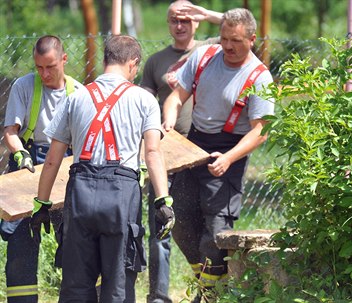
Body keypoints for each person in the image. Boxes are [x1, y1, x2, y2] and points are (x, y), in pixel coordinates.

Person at [30, 35, 174, 303]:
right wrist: (163, 200)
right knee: (118, 281)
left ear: (105, 59)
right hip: (121, 195)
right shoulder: (144, 100)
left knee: (76, 283)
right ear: (133, 64)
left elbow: (52, 158)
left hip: (80, 195)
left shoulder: (76, 97)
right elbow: (152, 152)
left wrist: (42, 204)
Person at [162, 8, 275, 302]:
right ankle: (209, 285)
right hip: (194, 146)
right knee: (180, 222)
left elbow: (260, 131)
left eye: (235, 40)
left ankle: (212, 296)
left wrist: (228, 158)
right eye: (224, 38)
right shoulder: (204, 57)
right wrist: (169, 121)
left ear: (252, 39)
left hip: (230, 151)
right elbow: (176, 97)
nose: (227, 46)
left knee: (215, 235)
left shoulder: (259, 77)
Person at [140, 1, 222, 302]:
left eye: (187, 20)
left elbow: (242, 25)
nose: (180, 25)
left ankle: (209, 289)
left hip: (206, 151)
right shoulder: (155, 62)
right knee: (165, 224)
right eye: (175, 19)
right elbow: (144, 106)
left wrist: (209, 14)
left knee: (205, 225)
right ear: (167, 23)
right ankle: (159, 295)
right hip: (168, 157)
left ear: (197, 23)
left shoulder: (213, 48)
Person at [1, 35, 82, 303]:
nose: (44, 74)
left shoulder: (80, 94)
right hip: (29, 166)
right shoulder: (24, 86)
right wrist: (21, 153)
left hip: (66, 167)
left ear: (64, 60)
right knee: (20, 245)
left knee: (75, 241)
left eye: (50, 67)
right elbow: (10, 132)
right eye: (39, 68)